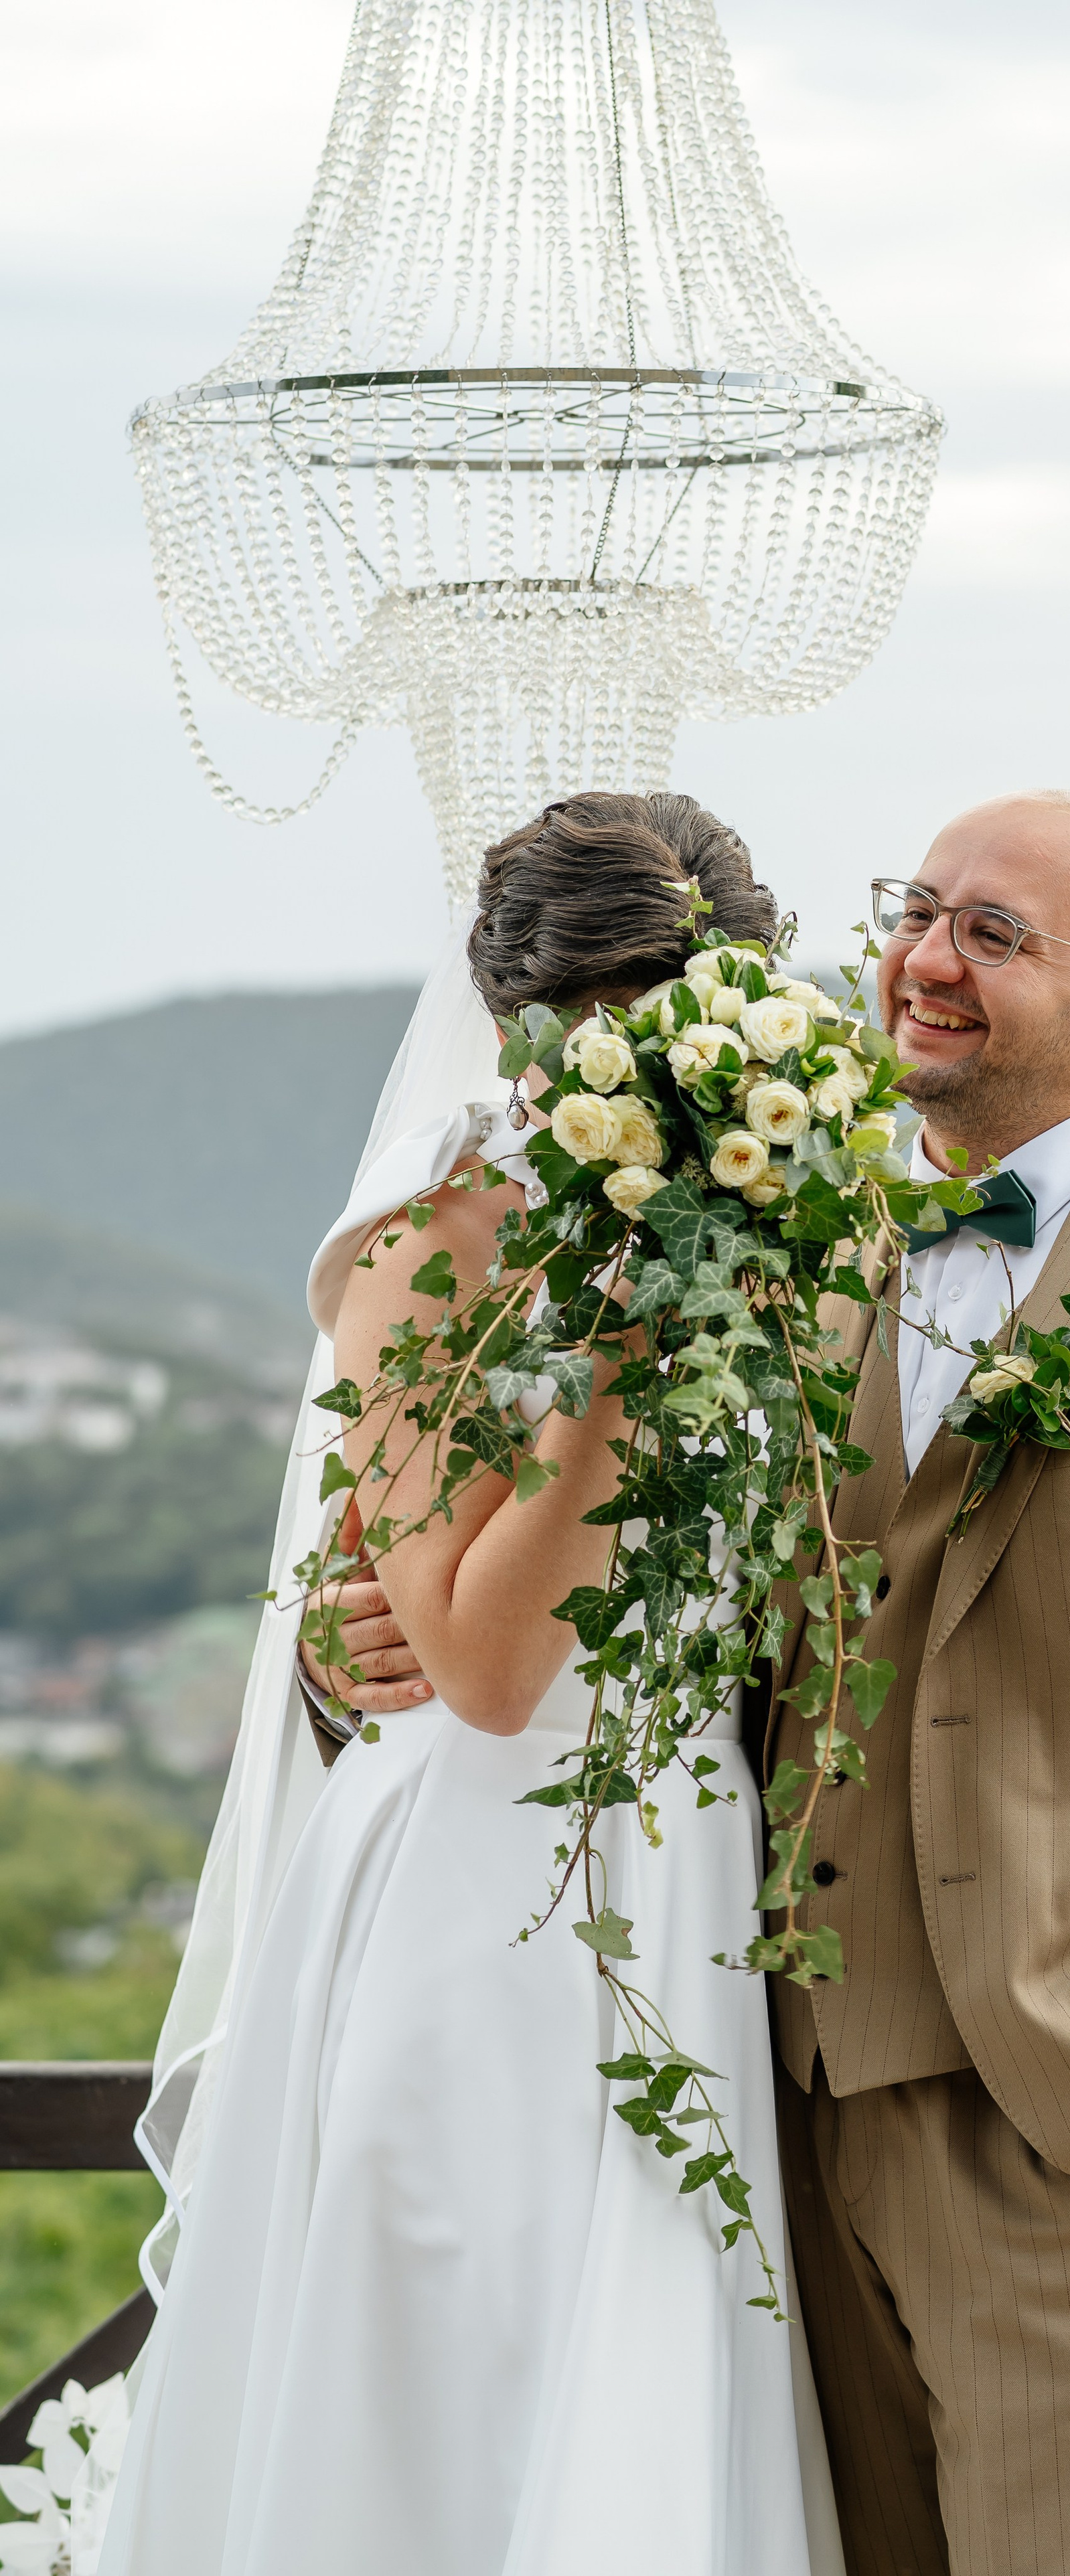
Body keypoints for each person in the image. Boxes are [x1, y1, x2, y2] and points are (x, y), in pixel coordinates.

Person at [307, 786, 1070, 2576]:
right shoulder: (792, 1249)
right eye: (916, 910)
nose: (926, 960)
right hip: (758, 2097)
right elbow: (627, 1598)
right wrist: (352, 1640)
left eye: (996, 934)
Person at [100, 795, 844, 2576]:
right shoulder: (431, 1243)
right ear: (526, 1029)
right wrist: (641, 1324)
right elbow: (493, 1671)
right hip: (484, 1885)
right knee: (455, 2377)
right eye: (608, 1028)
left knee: (652, 2377)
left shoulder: (792, 1218)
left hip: (684, 1871)